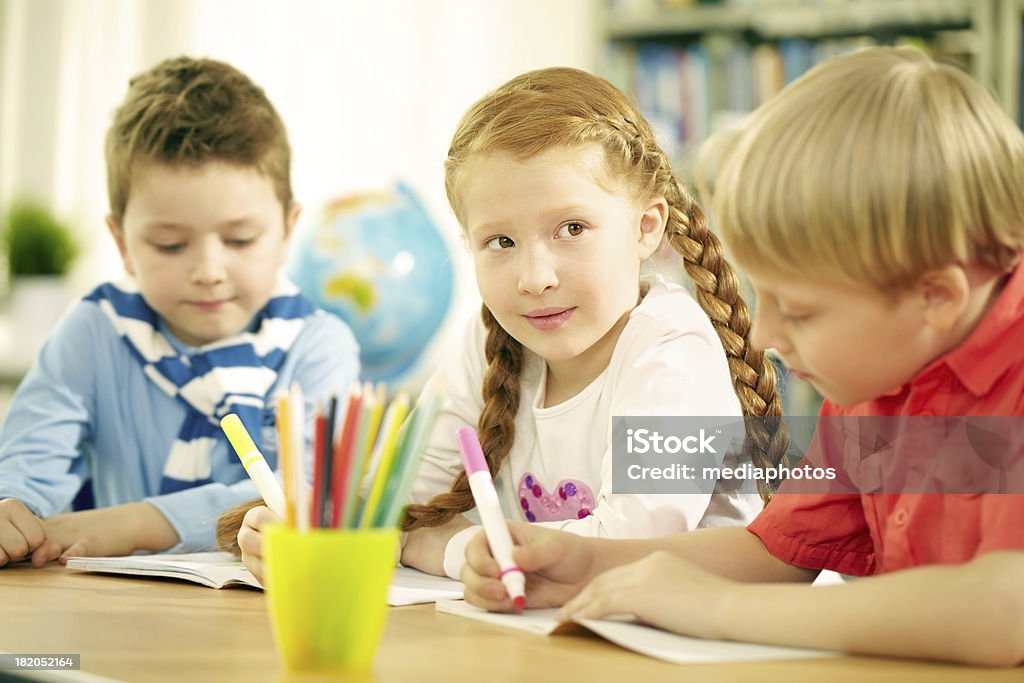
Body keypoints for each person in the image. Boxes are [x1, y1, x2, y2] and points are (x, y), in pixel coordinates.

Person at [461, 47, 1024, 667]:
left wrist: (721, 611)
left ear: (936, 297)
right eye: (764, 298)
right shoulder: (875, 381)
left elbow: (1007, 606)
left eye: (801, 311)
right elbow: (778, 554)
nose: (762, 337)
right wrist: (586, 563)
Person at [219, 66, 788, 582]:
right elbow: (393, 507)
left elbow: (626, 549)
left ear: (645, 228)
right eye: (500, 241)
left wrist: (453, 548)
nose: (534, 278)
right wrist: (310, 534)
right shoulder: (490, 340)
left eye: (571, 228)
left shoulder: (673, 349)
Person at [0, 56, 359, 568]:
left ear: (287, 229)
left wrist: (127, 525)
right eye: (170, 245)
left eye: (240, 239)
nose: (209, 270)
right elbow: (28, 466)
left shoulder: (318, 347)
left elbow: (305, 494)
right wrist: (13, 510)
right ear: (122, 242)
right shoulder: (93, 332)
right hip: (110, 607)